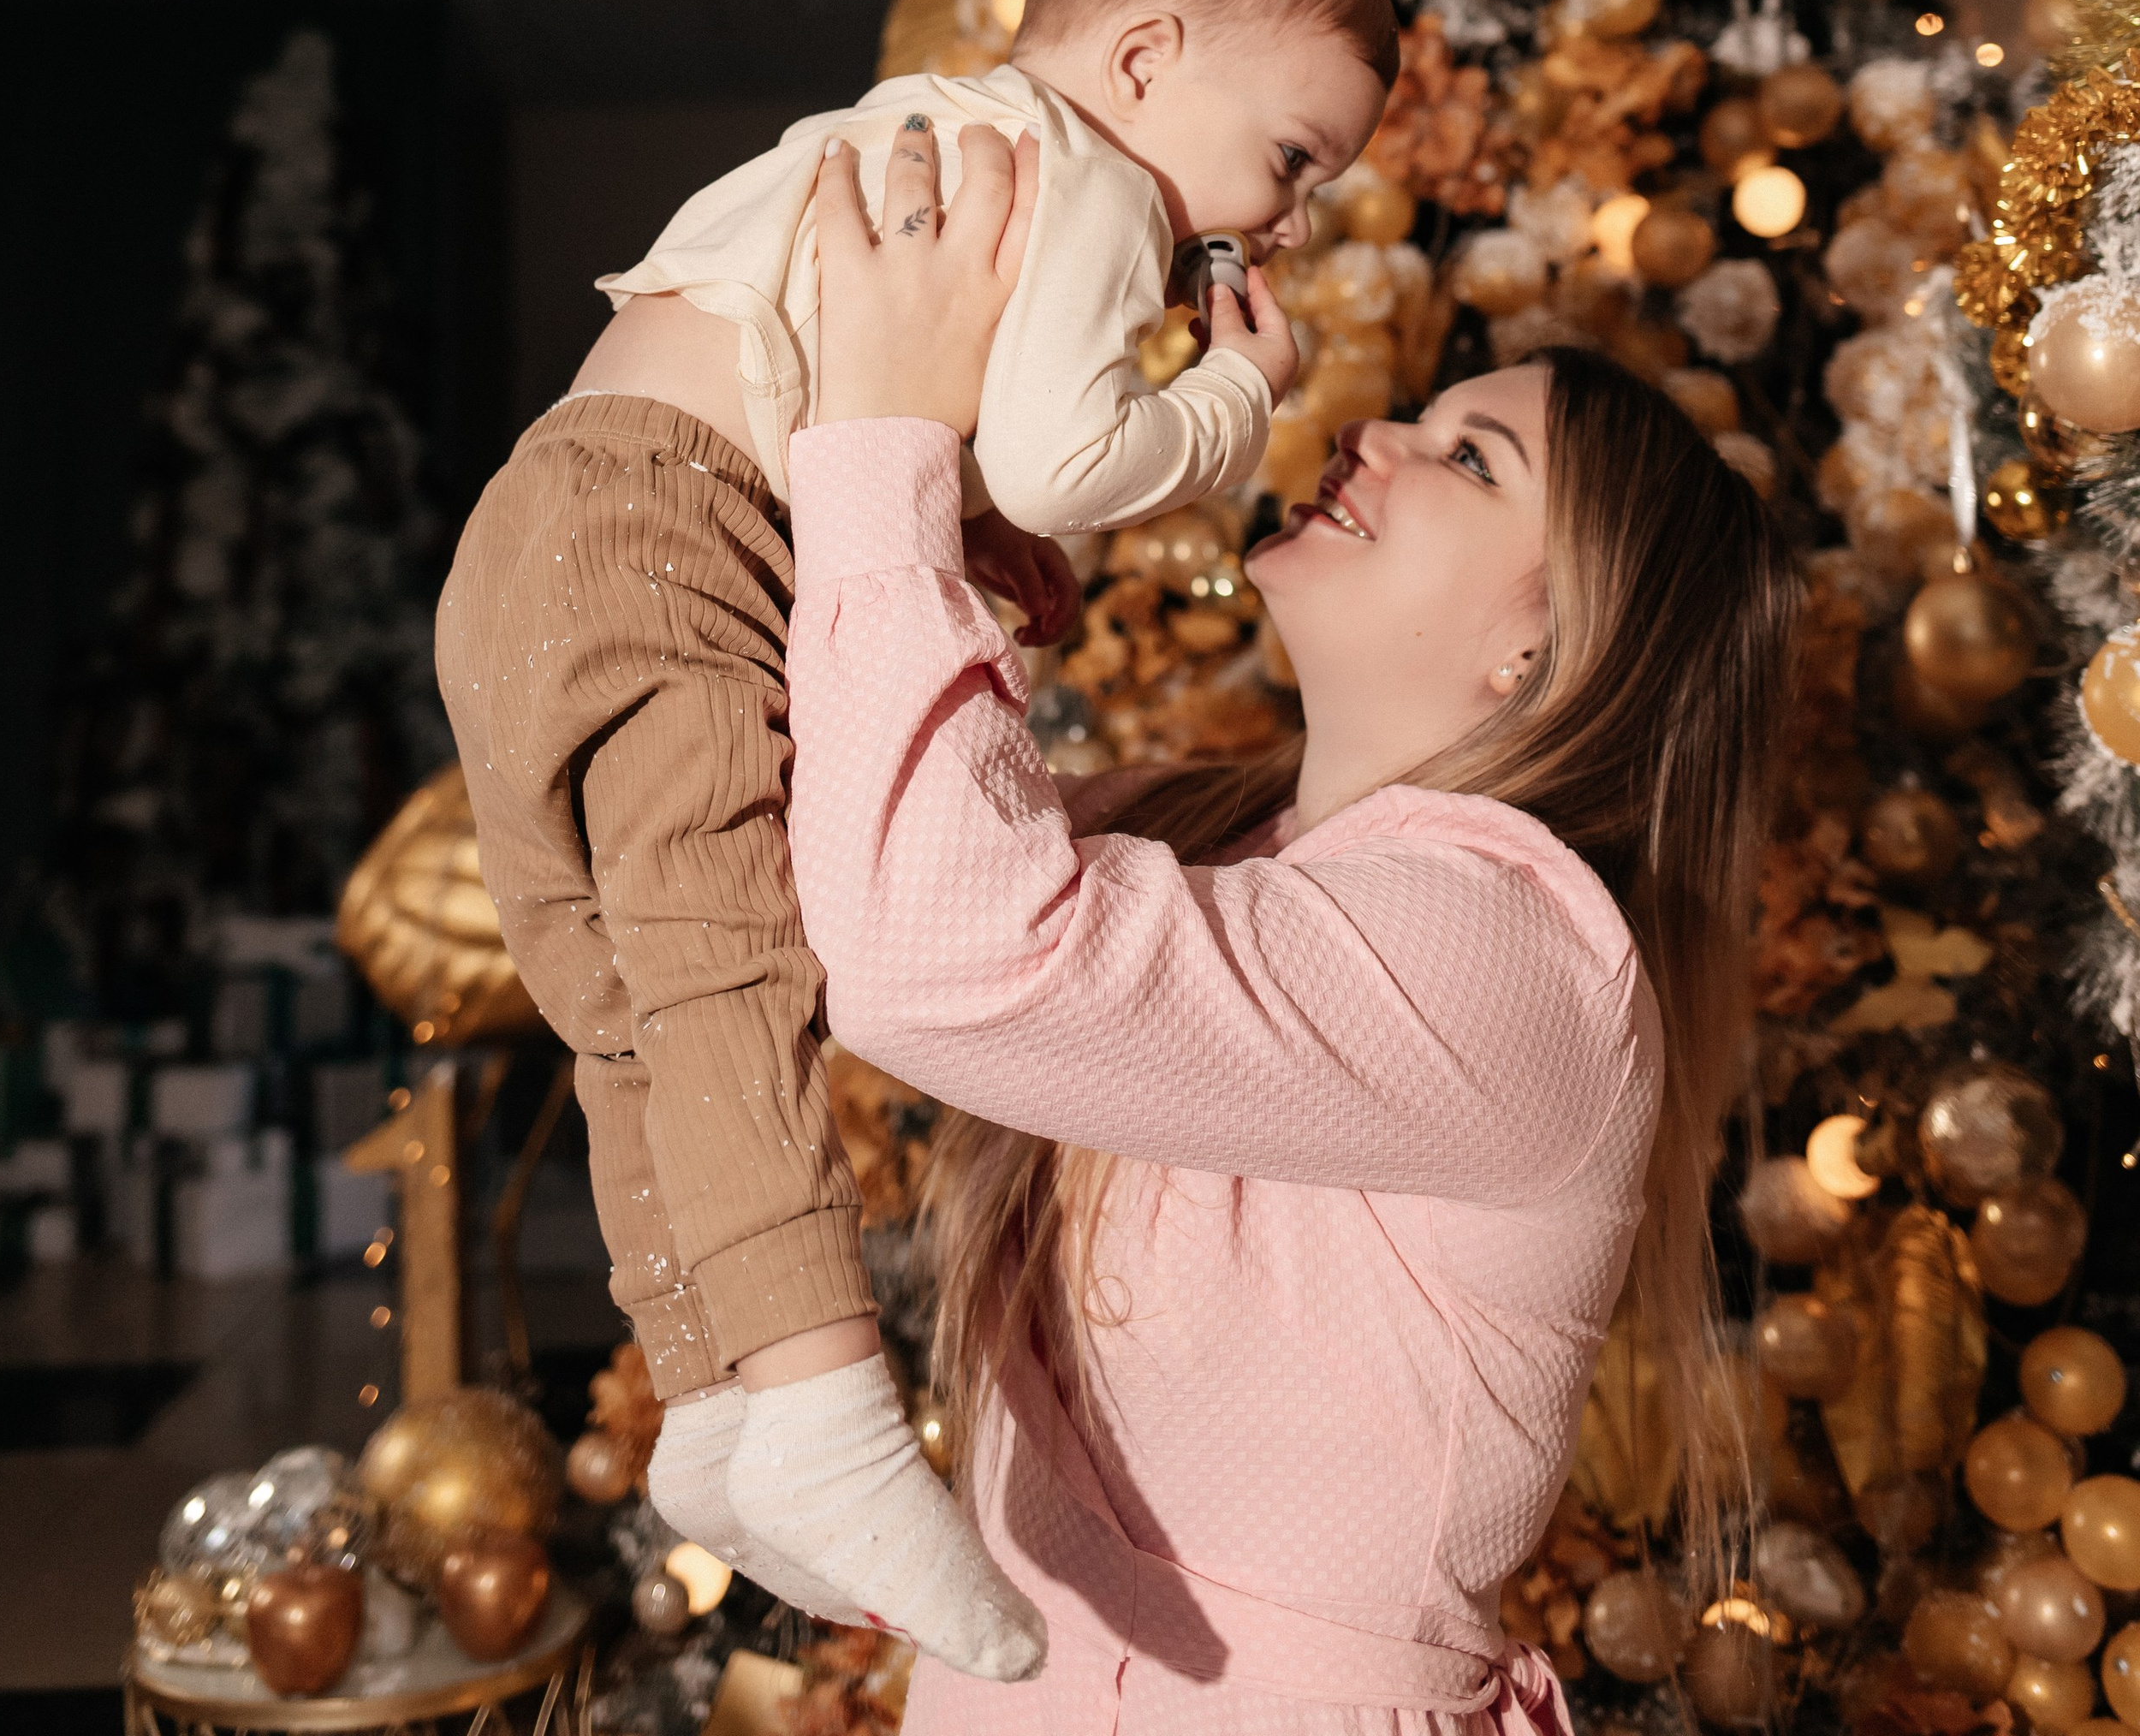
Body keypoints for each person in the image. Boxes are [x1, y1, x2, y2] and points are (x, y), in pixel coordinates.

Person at [434, 0, 1397, 1676]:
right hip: (668, 541)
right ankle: (818, 1409)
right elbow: (1053, 458)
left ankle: (714, 1403)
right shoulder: (1087, 188)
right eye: (1288, 160)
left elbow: (896, 431)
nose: (1273, 230)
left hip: (536, 529)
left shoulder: (929, 130)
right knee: (724, 981)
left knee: (635, 1009)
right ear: (1142, 59)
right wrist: (1226, 403)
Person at [767, 116, 1794, 1731]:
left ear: (1546, 654)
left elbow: (935, 958)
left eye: (1469, 460)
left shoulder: (1523, 957)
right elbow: (840, 878)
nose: (1371, 435)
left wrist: (881, 440)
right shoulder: (1229, 839)